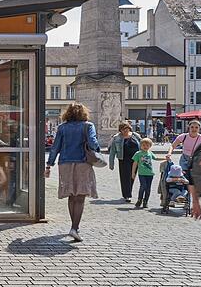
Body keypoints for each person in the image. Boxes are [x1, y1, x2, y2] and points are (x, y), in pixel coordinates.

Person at [45, 103, 100, 242]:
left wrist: (49, 164)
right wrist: (96, 149)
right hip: (83, 163)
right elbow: (93, 144)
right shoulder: (88, 126)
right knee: (80, 196)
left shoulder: (62, 127)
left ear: (68, 113)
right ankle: (74, 228)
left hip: (65, 163)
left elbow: (55, 147)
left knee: (72, 195)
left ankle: (73, 227)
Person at [108, 122, 141, 202]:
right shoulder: (117, 138)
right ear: (120, 130)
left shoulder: (135, 135)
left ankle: (127, 192)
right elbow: (112, 151)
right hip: (123, 159)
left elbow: (142, 145)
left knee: (132, 176)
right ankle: (127, 195)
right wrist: (111, 163)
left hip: (135, 160)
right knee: (125, 177)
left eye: (127, 128)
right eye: (123, 129)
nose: (125, 130)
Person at [131, 138, 157, 208]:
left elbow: (156, 158)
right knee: (143, 186)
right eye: (143, 145)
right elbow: (135, 164)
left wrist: (166, 158)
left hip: (150, 174)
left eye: (147, 145)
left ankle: (146, 201)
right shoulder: (138, 154)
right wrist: (133, 173)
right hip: (141, 173)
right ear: (140, 145)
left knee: (148, 188)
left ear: (150, 146)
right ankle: (139, 200)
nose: (145, 146)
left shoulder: (150, 153)